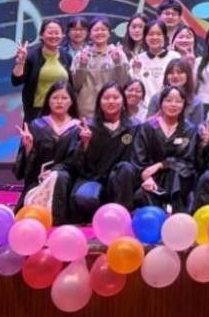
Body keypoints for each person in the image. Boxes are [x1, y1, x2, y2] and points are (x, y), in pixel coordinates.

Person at [13, 81, 81, 222]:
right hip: (39, 180)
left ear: (71, 102)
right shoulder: (37, 126)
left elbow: (77, 161)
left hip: (65, 183)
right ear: (48, 101)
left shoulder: (78, 128)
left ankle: (56, 219)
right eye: (55, 98)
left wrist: (55, 172)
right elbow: (25, 169)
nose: (59, 102)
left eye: (64, 98)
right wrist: (28, 147)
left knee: (61, 177)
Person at [70, 83, 138, 220]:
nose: (111, 101)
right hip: (94, 179)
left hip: (122, 181)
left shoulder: (135, 127)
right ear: (99, 102)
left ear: (123, 101)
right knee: (85, 198)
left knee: (126, 168)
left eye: (115, 97)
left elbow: (139, 159)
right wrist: (85, 143)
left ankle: (122, 217)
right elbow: (77, 164)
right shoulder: (88, 127)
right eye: (106, 98)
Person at [131, 86, 198, 212]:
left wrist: (161, 165)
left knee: (174, 176)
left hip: (178, 178)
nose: (173, 104)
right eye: (168, 100)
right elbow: (139, 158)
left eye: (178, 101)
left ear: (184, 104)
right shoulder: (148, 127)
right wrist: (147, 178)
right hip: (151, 177)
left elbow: (188, 161)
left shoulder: (189, 129)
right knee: (143, 196)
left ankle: (173, 212)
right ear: (161, 103)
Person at [11, 18, 72, 123]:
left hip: (62, 111)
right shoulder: (32, 57)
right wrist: (21, 62)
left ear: (62, 35)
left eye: (57, 33)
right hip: (37, 113)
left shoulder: (67, 57)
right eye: (50, 33)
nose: (53, 36)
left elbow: (71, 86)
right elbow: (16, 81)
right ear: (41, 35)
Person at [71, 18, 130, 120]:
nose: (99, 32)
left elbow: (122, 83)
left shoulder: (118, 53)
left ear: (109, 33)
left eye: (103, 29)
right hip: (86, 110)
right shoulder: (82, 55)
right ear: (90, 34)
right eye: (96, 30)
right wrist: (82, 65)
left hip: (112, 109)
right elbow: (76, 85)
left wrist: (117, 62)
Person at [145, 59, 206, 126]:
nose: (175, 76)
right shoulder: (156, 98)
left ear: (187, 75)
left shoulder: (196, 102)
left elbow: (197, 129)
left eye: (179, 72)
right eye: (171, 73)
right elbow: (147, 125)